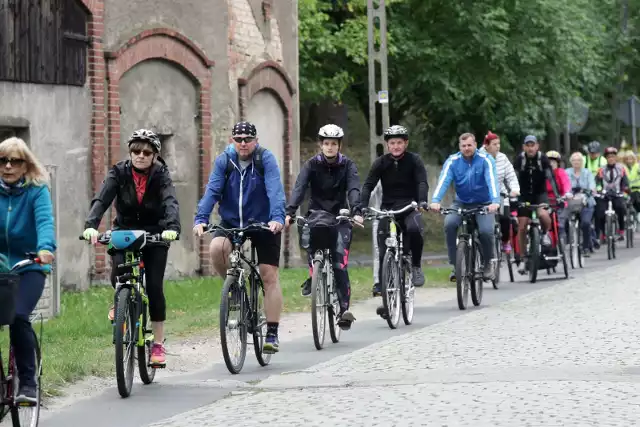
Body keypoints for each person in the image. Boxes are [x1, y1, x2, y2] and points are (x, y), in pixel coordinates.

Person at [82, 129, 181, 367]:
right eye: (136, 150)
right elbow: (102, 199)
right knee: (118, 275)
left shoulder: (161, 175)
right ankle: (121, 301)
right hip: (125, 231)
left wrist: (172, 227)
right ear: (130, 152)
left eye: (146, 152)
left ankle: (157, 344)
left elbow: (170, 202)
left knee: (155, 287)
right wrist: (91, 225)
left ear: (155, 155)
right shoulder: (119, 172)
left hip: (155, 233)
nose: (140, 155)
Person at [193, 121, 285, 354]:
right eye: (238, 139)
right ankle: (235, 290)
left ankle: (272, 332)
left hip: (264, 222)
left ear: (255, 140)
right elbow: (212, 190)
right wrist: (201, 219)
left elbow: (275, 191)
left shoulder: (265, 160)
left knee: (268, 275)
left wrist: (277, 218)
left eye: (247, 139)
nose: (243, 143)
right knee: (217, 249)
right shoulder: (225, 161)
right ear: (232, 141)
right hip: (232, 221)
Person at [285, 124, 363, 330]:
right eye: (326, 143)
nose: (330, 147)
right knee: (312, 241)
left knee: (339, 262)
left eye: (334, 144)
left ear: (339, 146)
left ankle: (344, 310)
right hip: (317, 216)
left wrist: (356, 211)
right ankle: (314, 275)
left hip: (341, 217)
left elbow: (354, 188)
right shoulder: (311, 165)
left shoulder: (348, 165)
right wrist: (290, 212)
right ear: (321, 145)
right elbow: (300, 188)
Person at [0, 137, 56, 403]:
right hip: (1, 266)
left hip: (29, 265)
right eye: (3, 160)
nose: (8, 166)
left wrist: (45, 249)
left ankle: (29, 385)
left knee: (19, 316)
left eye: (15, 161)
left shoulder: (37, 191)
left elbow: (44, 221)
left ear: (26, 165)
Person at [360, 125, 429, 298]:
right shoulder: (381, 163)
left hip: (409, 207)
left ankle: (416, 266)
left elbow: (422, 182)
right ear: (387, 145)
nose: (396, 146)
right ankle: (385, 289)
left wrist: (422, 201)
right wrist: (361, 206)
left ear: (406, 143)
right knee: (383, 249)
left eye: (399, 142)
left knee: (414, 230)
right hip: (387, 209)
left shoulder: (414, 160)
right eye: (392, 143)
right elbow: (368, 185)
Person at [430, 132, 500, 282]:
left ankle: (488, 263)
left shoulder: (485, 160)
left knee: (486, 231)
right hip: (461, 202)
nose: (467, 148)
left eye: (469, 145)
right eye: (463, 146)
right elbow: (444, 180)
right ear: (459, 147)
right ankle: (455, 265)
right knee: (449, 224)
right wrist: (436, 200)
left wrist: (495, 201)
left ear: (475, 145)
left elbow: (492, 180)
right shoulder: (453, 161)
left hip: (485, 203)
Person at [512, 135, 559, 275]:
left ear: (537, 146)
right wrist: (512, 194)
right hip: (524, 195)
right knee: (522, 225)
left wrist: (557, 196)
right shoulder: (520, 160)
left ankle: (544, 234)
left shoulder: (542, 159)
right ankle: (522, 259)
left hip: (540, 194)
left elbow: (551, 177)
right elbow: (513, 178)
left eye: (533, 145)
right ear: (524, 147)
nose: (530, 148)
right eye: (528, 145)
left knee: (543, 214)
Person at [479, 131, 520, 253]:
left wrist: (514, 189)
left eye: (499, 144)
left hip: (501, 193)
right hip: (483, 195)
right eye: (494, 144)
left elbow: (511, 176)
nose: (498, 146)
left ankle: (505, 241)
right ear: (486, 145)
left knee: (505, 218)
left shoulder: (503, 158)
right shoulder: (478, 157)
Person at [594, 146, 629, 241]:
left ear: (616, 158)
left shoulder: (621, 168)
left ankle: (621, 230)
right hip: (605, 194)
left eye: (613, 156)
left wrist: (625, 188)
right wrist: (599, 189)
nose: (611, 159)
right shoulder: (601, 169)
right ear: (606, 158)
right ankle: (603, 234)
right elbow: (597, 182)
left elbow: (625, 181)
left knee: (620, 207)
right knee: (600, 212)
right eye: (609, 157)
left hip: (617, 193)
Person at [565, 151, 596, 256]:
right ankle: (567, 242)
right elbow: (563, 185)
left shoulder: (587, 172)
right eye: (574, 160)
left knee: (586, 223)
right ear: (571, 162)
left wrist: (590, 190)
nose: (576, 162)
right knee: (563, 220)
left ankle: (586, 247)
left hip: (586, 202)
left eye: (579, 160)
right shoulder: (567, 172)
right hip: (571, 202)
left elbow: (592, 186)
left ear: (582, 162)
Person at [545, 151, 573, 239]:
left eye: (554, 162)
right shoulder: (542, 173)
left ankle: (562, 240)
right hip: (546, 201)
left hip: (559, 200)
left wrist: (567, 193)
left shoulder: (560, 172)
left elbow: (566, 183)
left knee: (560, 224)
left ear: (558, 163)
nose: (551, 164)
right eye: (549, 162)